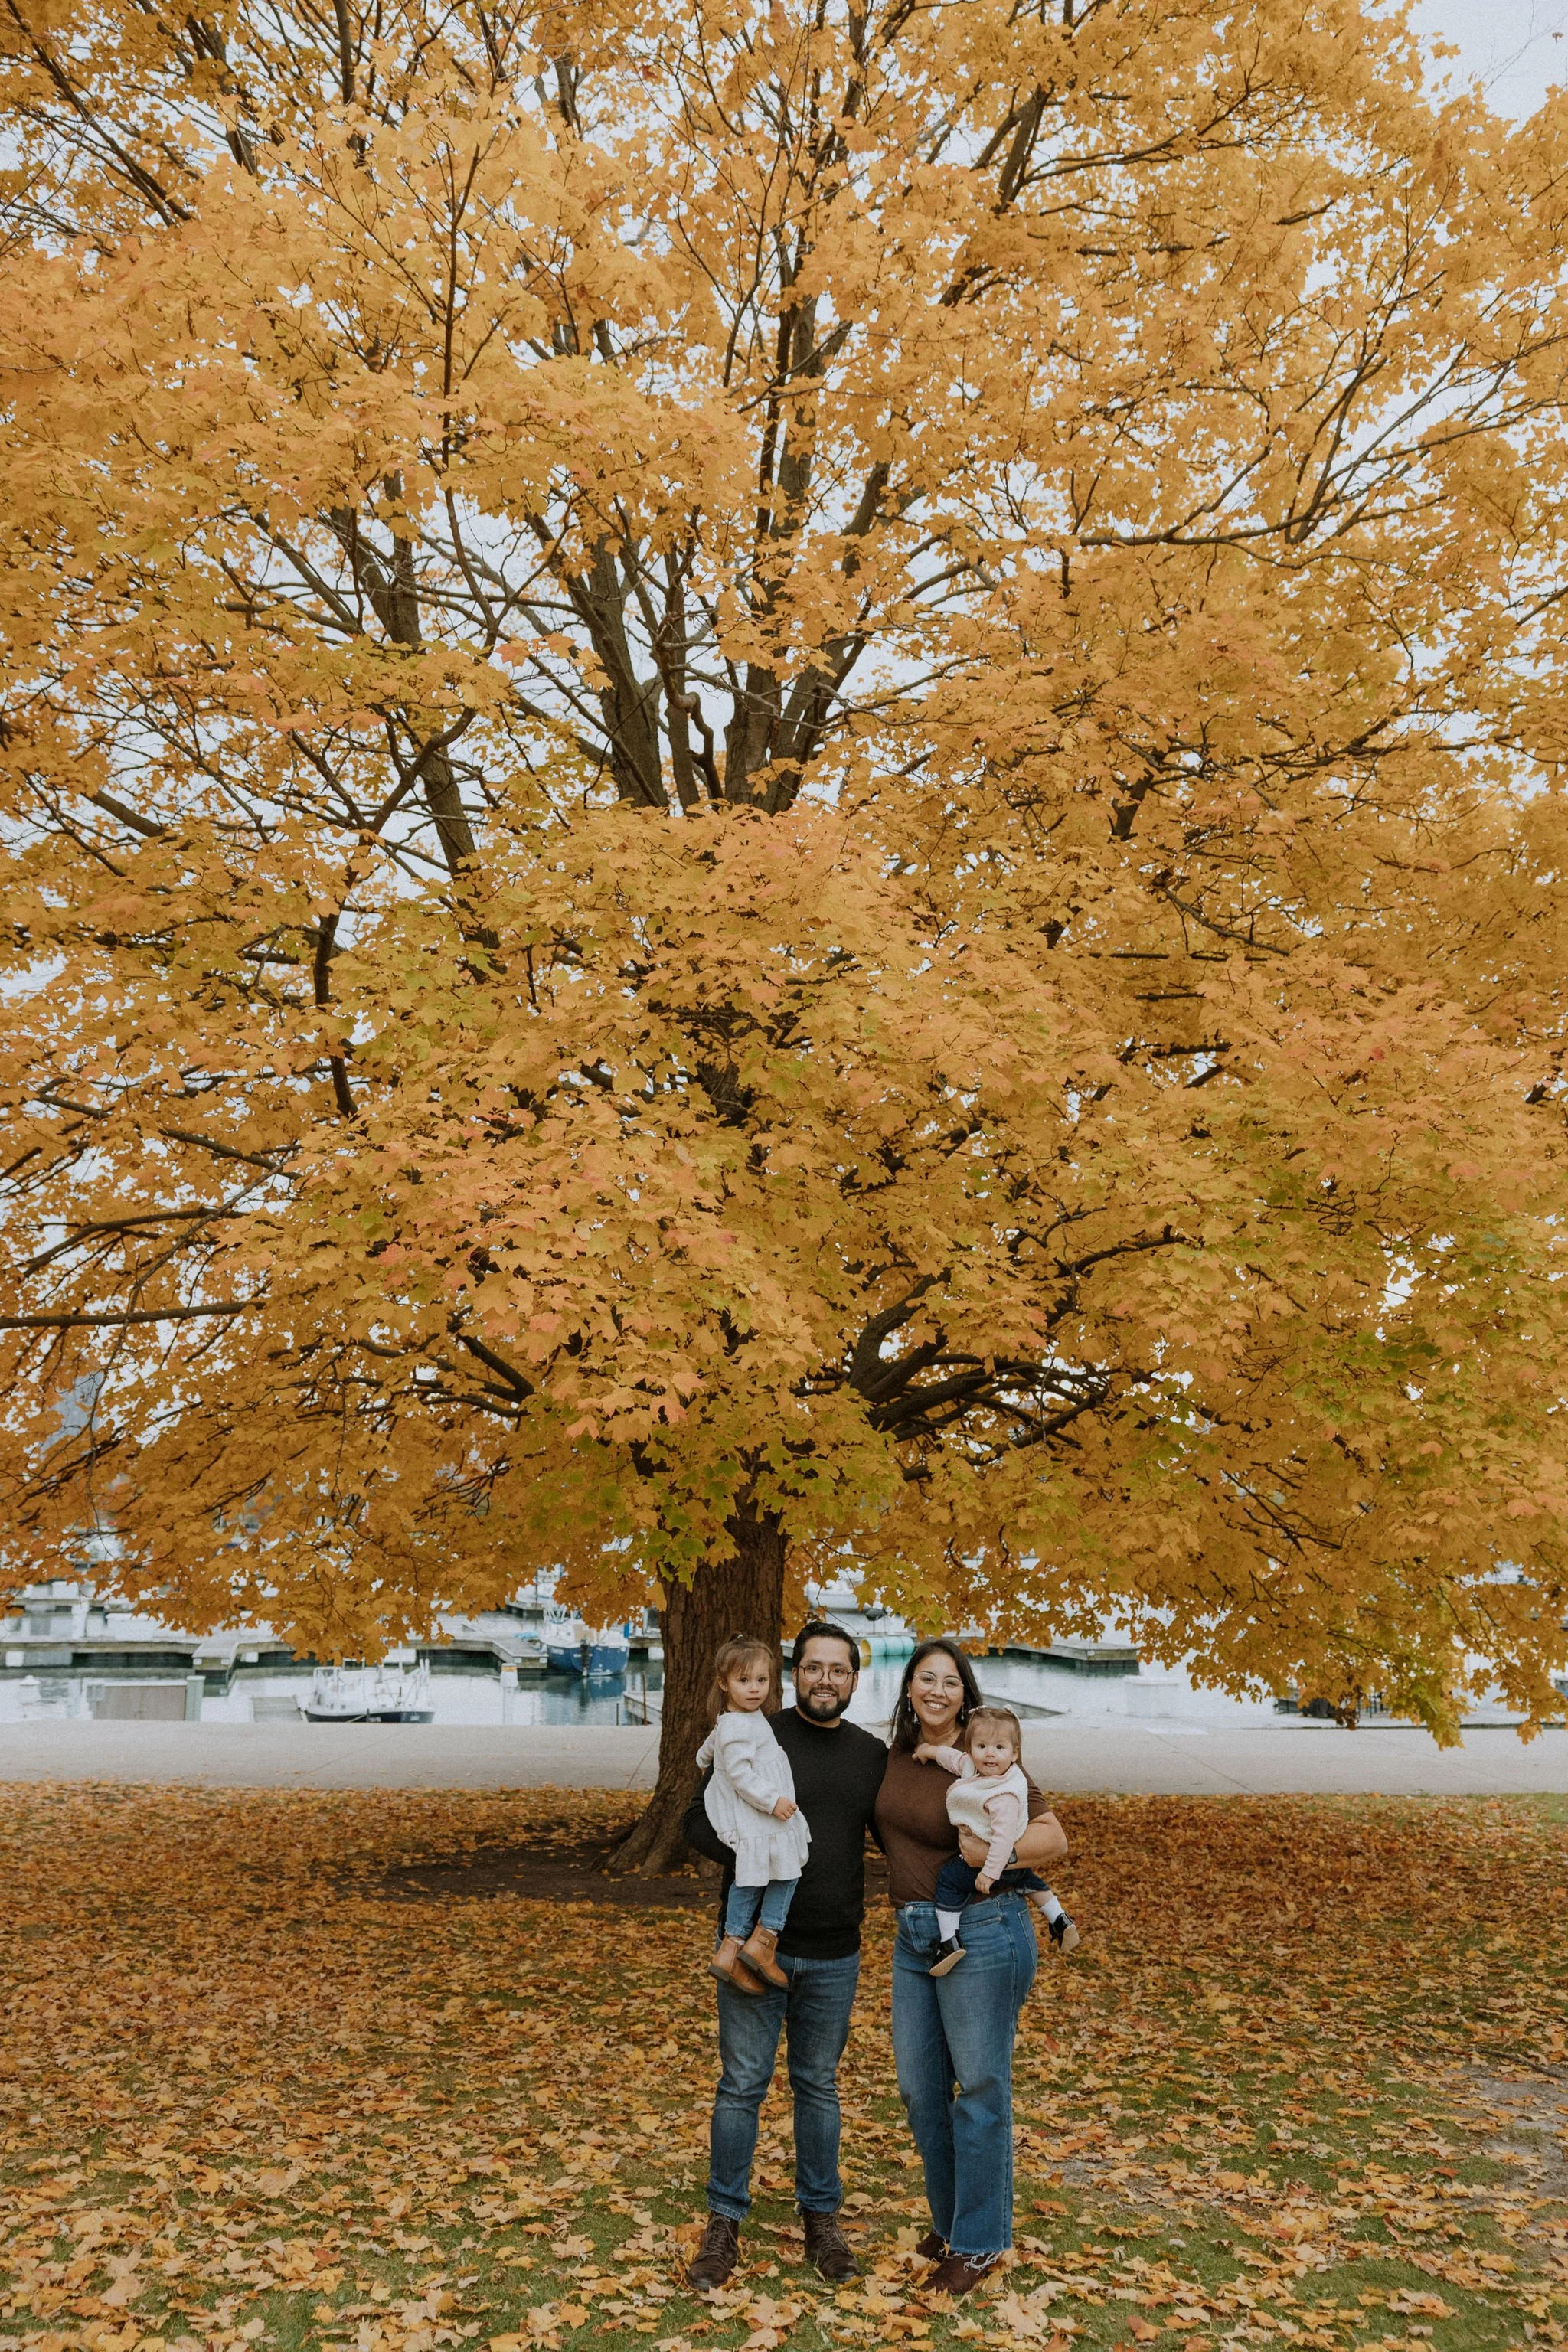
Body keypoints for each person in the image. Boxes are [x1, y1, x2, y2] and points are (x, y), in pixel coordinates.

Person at [681, 1619, 888, 2292]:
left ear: (855, 1679)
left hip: (834, 1953)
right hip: (751, 1953)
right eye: (813, 1666)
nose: (825, 1679)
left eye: (840, 1669)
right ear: (794, 1673)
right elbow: (694, 1818)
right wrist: (753, 1851)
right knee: (741, 2086)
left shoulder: (870, 1754)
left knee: (817, 2087)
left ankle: (821, 2219)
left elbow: (903, 1834)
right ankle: (723, 2223)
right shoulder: (756, 1730)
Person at [875, 1638, 1069, 2303]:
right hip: (913, 1934)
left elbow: (1053, 1839)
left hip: (984, 1931)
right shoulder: (899, 1755)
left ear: (966, 1692)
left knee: (980, 2088)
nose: (937, 1691)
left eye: (950, 1681)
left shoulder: (990, 1755)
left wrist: (994, 1850)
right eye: (925, 1679)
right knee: (919, 2088)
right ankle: (953, 2220)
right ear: (908, 1689)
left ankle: (980, 2240)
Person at [917, 1704, 1080, 1975]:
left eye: (999, 1748)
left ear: (1015, 1753)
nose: (990, 1754)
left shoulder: (1002, 1795)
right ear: (971, 1749)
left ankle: (949, 1940)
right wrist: (929, 1751)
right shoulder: (974, 1767)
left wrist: (990, 1872)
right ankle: (1060, 1919)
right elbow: (951, 1758)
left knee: (949, 1881)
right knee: (1027, 1879)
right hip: (1015, 1869)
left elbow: (1003, 1839)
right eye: (981, 1746)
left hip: (988, 1865)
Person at [697, 1635, 812, 1991]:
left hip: (758, 1814)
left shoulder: (736, 1719)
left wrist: (703, 1759)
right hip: (758, 1812)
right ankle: (764, 1940)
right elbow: (740, 1773)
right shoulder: (739, 1724)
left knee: (753, 1875)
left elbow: (714, 1746)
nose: (754, 1689)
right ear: (723, 1683)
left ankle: (730, 1950)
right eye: (743, 1681)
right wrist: (772, 1800)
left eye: (761, 1681)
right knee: (785, 1872)